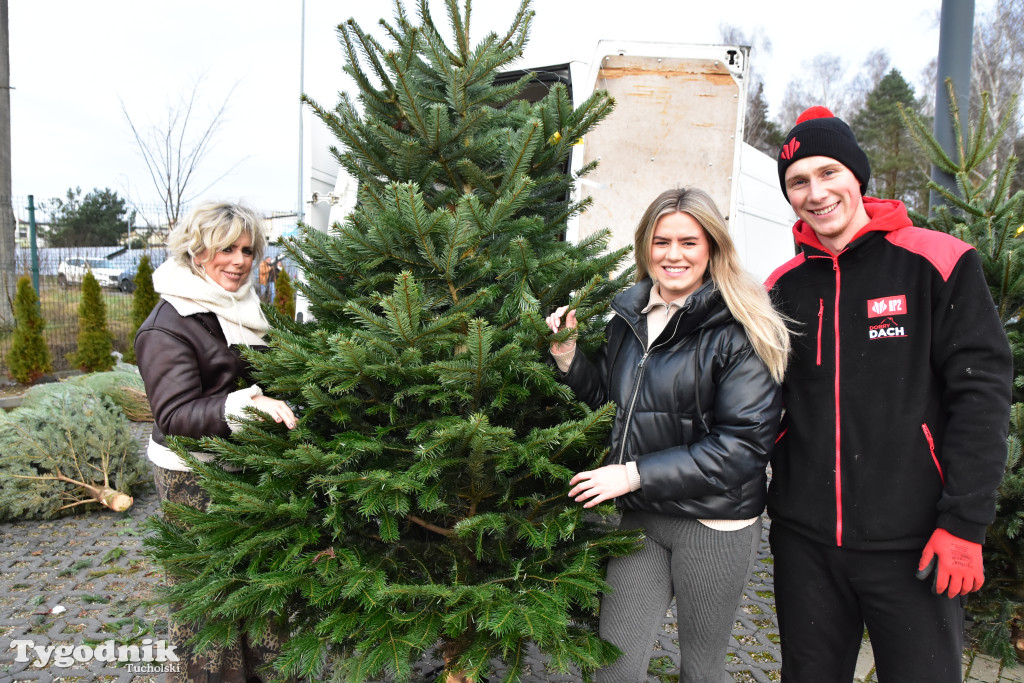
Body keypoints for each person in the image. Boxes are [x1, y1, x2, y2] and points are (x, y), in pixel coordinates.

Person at [765, 106, 1013, 682]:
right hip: (805, 544)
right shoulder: (782, 286)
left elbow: (982, 398)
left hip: (916, 543)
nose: (816, 192)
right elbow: (759, 403)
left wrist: (966, 524)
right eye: (798, 181)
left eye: (829, 173)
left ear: (857, 176)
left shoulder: (937, 261)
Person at [546, 187, 790, 682]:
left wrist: (632, 475)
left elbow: (742, 447)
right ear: (645, 247)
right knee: (613, 665)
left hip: (714, 525)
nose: (672, 255)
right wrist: (568, 357)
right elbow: (616, 409)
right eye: (660, 242)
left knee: (701, 669)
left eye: (688, 243)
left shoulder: (740, 327)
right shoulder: (628, 320)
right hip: (643, 519)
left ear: (712, 249)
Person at [135, 201, 297, 683]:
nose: (240, 260)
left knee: (260, 588)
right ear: (197, 251)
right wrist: (248, 407)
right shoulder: (169, 323)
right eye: (226, 248)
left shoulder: (240, 306)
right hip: (193, 476)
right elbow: (174, 412)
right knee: (208, 599)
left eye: (248, 249)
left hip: (245, 466)